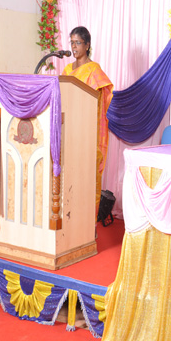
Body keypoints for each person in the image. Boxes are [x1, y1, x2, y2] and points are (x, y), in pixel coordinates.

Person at [62, 26, 113, 217]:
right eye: (72, 42)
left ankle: (88, 221)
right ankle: (70, 218)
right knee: (69, 174)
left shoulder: (94, 70)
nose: (74, 47)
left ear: (87, 45)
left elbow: (98, 99)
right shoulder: (67, 70)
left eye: (78, 43)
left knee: (87, 175)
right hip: (69, 129)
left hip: (86, 131)